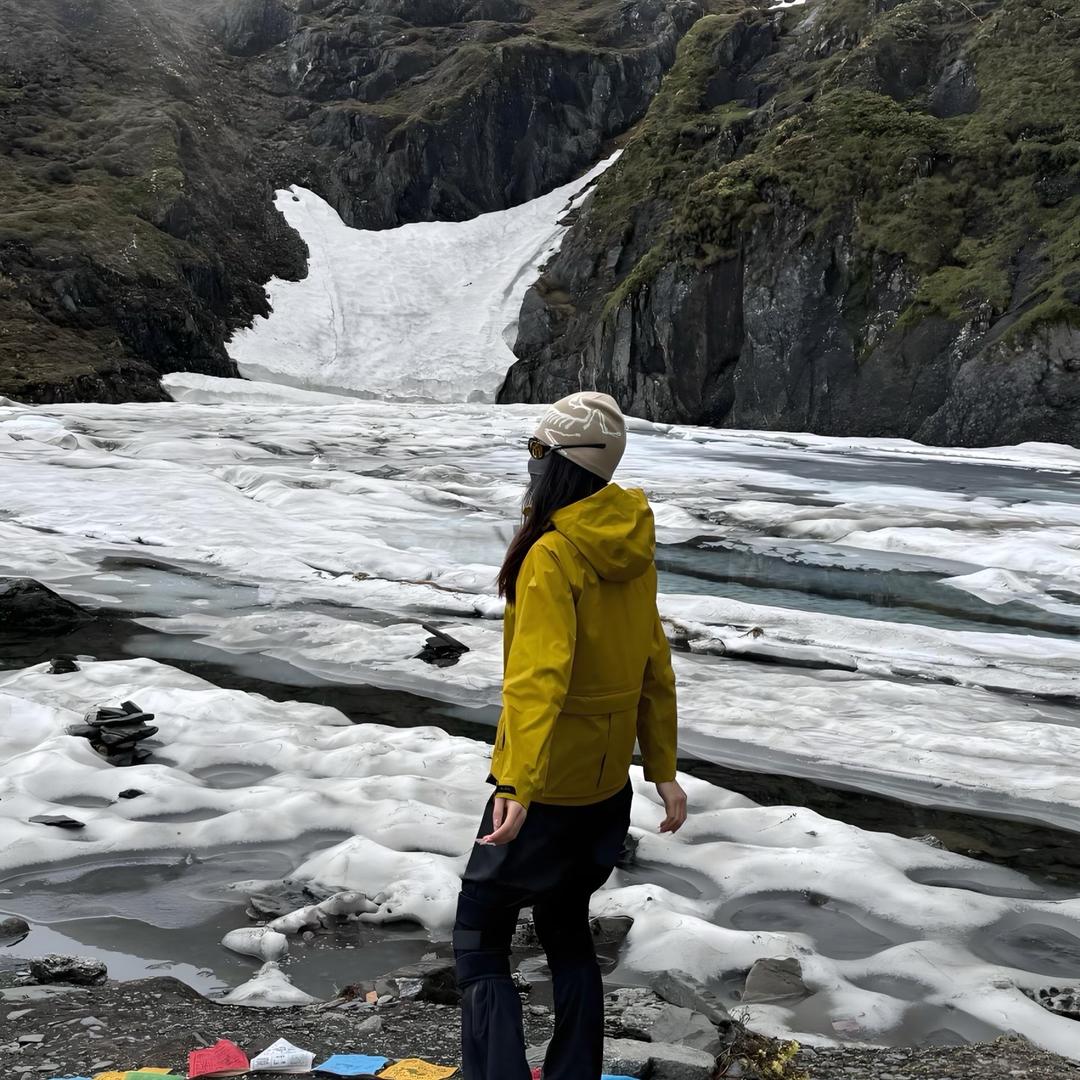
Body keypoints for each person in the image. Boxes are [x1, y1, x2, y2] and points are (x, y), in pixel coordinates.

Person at [453, 391, 687, 1080]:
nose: (528, 466)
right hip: (606, 788)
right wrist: (662, 769)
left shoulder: (552, 553)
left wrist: (517, 786)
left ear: (561, 464)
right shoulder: (631, 541)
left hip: (546, 785)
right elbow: (655, 664)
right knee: (564, 928)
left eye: (536, 452)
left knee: (478, 934)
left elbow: (538, 681)